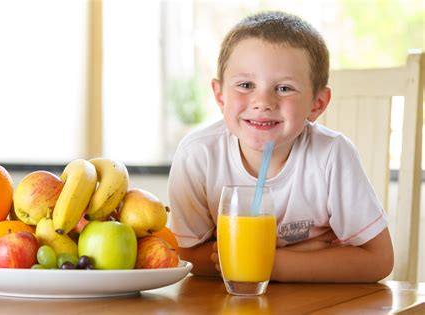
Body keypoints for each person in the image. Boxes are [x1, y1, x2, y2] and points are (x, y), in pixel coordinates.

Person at [167, 11, 394, 282]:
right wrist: (309, 256)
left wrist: (274, 264)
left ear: (317, 103)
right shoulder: (198, 156)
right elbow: (186, 254)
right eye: (245, 85)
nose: (263, 102)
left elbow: (379, 260)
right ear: (220, 95)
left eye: (284, 88)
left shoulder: (332, 155)